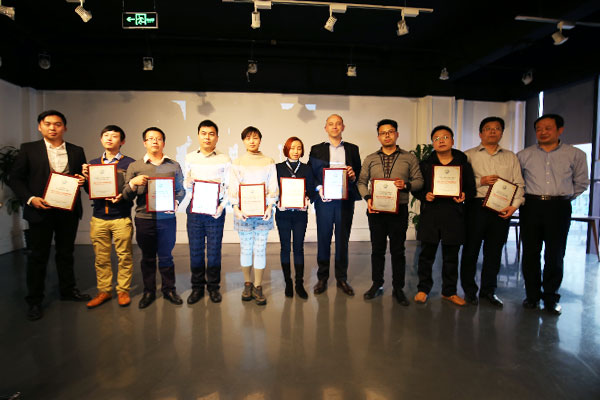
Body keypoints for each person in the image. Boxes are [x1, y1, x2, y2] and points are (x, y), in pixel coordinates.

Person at [9, 110, 91, 321]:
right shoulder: (29, 149)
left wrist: (84, 180)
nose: (52, 128)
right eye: (48, 124)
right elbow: (15, 179)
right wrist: (30, 199)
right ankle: (35, 300)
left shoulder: (76, 151)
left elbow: (83, 180)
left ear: (65, 127)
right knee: (38, 256)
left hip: (68, 211)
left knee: (66, 253)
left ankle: (68, 290)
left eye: (57, 124)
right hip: (40, 210)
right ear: (40, 126)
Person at [517, 114, 589, 315]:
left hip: (559, 207)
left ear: (560, 130)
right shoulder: (523, 155)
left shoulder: (576, 154)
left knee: (555, 254)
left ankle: (551, 297)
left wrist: (562, 198)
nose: (543, 132)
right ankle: (532, 296)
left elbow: (581, 183)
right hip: (531, 205)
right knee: (530, 252)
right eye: (539, 129)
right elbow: (517, 181)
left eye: (548, 128)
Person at [357, 119, 424, 305]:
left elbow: (419, 181)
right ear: (378, 136)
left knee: (398, 250)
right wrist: (368, 198)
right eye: (383, 133)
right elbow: (361, 182)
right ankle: (377, 284)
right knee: (377, 250)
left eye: (390, 132)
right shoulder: (370, 158)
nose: (387, 135)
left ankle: (398, 288)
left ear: (397, 134)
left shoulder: (409, 158)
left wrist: (407, 185)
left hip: (398, 210)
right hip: (376, 210)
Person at [460, 117, 525, 307]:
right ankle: (469, 290)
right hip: (475, 206)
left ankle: (488, 291)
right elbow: (460, 182)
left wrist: (514, 206)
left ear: (501, 133)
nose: (492, 131)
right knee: (471, 250)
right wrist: (480, 181)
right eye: (488, 128)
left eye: (497, 128)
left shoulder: (511, 157)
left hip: (501, 208)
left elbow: (519, 184)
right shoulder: (468, 155)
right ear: (480, 134)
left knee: (494, 252)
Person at [123, 127, 185, 309]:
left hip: (167, 219)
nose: (154, 141)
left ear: (163, 142)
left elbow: (181, 190)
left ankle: (169, 289)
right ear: (145, 143)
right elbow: (126, 195)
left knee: (166, 256)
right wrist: (133, 183)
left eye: (158, 138)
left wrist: (176, 202)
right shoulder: (135, 166)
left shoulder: (174, 165)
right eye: (150, 139)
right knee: (147, 257)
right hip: (144, 218)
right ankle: (149, 291)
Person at [413, 125, 476, 306]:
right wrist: (424, 195)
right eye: (437, 138)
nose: (441, 141)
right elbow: (416, 188)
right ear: (433, 143)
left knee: (451, 257)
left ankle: (449, 291)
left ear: (452, 141)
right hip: (430, 215)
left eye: (445, 137)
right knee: (426, 256)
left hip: (454, 215)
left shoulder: (463, 165)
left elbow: (471, 189)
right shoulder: (425, 165)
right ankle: (423, 289)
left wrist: (464, 195)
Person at [83, 125, 136, 308]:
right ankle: (104, 291)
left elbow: (133, 190)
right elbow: (89, 191)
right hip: (99, 217)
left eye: (114, 136)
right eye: (106, 135)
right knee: (101, 258)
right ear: (101, 139)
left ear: (122, 141)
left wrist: (123, 196)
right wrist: (86, 179)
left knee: (125, 256)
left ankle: (123, 291)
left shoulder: (130, 163)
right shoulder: (93, 163)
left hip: (121, 217)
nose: (109, 139)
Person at [308, 114, 361, 296]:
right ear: (326, 128)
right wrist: (319, 188)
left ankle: (341, 278)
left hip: (345, 201)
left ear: (343, 127)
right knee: (323, 239)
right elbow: (311, 173)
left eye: (338, 124)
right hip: (324, 201)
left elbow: (358, 173)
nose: (335, 126)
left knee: (342, 240)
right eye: (331, 124)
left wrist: (353, 175)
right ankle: (322, 278)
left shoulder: (352, 149)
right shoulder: (316, 149)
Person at [229, 126, 278, 305]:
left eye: (255, 137)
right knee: (246, 249)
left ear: (260, 140)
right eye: (248, 138)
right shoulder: (237, 162)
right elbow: (233, 187)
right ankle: (247, 284)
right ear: (243, 141)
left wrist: (270, 206)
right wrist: (235, 207)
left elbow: (273, 186)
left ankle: (258, 286)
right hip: (243, 214)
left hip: (263, 213)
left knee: (260, 249)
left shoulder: (268, 161)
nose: (252, 141)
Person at [185, 120, 230, 304]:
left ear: (217, 137)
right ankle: (197, 287)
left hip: (215, 211)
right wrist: (187, 183)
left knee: (214, 251)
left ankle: (213, 287)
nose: (207, 137)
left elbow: (229, 186)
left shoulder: (224, 159)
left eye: (211, 134)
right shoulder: (189, 157)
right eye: (203, 133)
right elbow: (186, 183)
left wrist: (222, 206)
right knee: (195, 250)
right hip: (194, 211)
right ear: (198, 135)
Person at [275, 136, 316, 299]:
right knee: (285, 248)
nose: (295, 151)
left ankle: (299, 283)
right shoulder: (277, 168)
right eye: (292, 148)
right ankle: (288, 283)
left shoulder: (307, 169)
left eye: (299, 148)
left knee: (298, 248)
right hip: (283, 214)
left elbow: (312, 189)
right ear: (286, 149)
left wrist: (307, 197)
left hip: (300, 215)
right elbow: (273, 190)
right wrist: (277, 201)